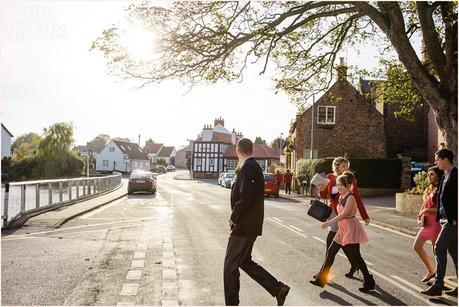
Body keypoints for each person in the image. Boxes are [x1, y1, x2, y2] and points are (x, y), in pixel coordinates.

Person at [224, 138, 290, 306]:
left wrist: (233, 217)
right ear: (252, 150)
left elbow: (246, 197)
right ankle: (277, 289)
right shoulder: (250, 167)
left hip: (244, 226)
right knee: (243, 262)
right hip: (248, 225)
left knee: (230, 266)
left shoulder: (249, 167)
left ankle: (231, 303)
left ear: (238, 151)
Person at [310, 172, 375, 291]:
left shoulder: (350, 197)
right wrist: (322, 189)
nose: (339, 187)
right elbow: (327, 197)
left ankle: (369, 281)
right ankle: (321, 279)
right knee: (331, 251)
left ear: (349, 186)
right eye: (338, 185)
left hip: (350, 227)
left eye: (342, 185)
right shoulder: (341, 196)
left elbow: (344, 214)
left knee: (356, 256)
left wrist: (328, 223)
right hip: (343, 227)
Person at [316, 157, 370, 278]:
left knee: (332, 243)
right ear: (337, 167)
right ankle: (353, 265)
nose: (346, 168)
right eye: (343, 166)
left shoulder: (350, 180)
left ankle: (323, 274)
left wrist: (364, 216)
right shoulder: (330, 177)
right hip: (333, 212)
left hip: (344, 215)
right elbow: (325, 195)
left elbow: (357, 198)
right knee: (340, 244)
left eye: (347, 166)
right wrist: (321, 190)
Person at [421, 148, 457, 297]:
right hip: (444, 219)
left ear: (445, 159)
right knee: (455, 253)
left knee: (439, 247)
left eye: (437, 160)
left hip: (452, 221)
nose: (435, 162)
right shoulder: (445, 175)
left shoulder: (456, 175)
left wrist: (455, 218)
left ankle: (438, 285)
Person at [413, 166, 442, 283]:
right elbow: (425, 204)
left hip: (436, 224)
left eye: (432, 174)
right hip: (426, 224)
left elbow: (441, 210)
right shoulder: (430, 189)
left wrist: (425, 211)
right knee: (417, 246)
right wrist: (420, 215)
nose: (429, 177)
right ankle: (431, 270)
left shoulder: (441, 190)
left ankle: (438, 278)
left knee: (437, 252)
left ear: (438, 176)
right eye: (428, 174)